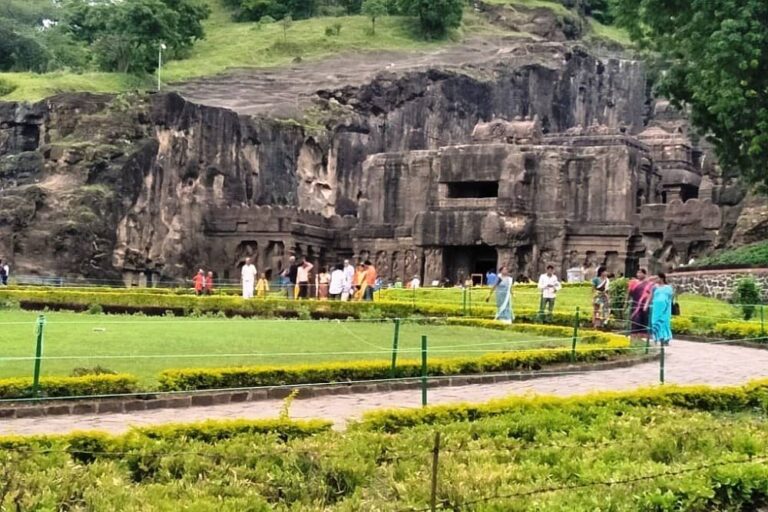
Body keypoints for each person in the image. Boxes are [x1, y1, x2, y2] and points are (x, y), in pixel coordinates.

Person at [648, 273, 674, 346]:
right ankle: (656, 338)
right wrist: (648, 304)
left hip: (665, 309)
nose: (656, 280)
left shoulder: (668, 288)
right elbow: (651, 296)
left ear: (662, 278)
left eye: (657, 278)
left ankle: (666, 339)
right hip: (656, 308)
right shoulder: (654, 287)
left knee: (665, 323)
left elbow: (671, 298)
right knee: (655, 322)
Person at [627, 268, 653, 339]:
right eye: (638, 273)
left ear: (645, 274)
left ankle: (644, 334)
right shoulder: (633, 283)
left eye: (640, 273)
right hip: (635, 304)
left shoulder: (649, 284)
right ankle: (634, 334)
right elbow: (629, 293)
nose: (638, 274)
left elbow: (651, 294)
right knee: (636, 319)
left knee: (645, 319)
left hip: (645, 304)